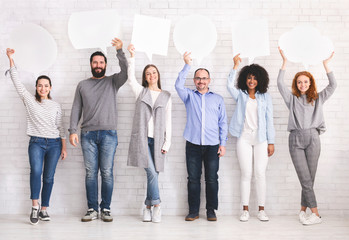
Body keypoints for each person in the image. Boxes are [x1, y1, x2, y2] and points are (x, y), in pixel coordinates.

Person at [69, 38, 128, 222]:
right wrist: (72, 130)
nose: (98, 65)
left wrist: (119, 50)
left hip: (109, 134)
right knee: (90, 173)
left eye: (101, 62)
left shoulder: (113, 82)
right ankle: (92, 209)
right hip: (87, 135)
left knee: (107, 172)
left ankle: (106, 208)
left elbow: (126, 71)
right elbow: (76, 109)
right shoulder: (82, 85)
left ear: (105, 65)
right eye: (95, 62)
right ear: (91, 64)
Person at [6, 48, 67, 225]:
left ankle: (44, 209)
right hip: (36, 143)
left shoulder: (56, 105)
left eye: (46, 85)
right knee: (36, 172)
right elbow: (17, 82)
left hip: (55, 144)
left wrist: (63, 148)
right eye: (40, 85)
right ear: (36, 87)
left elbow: (61, 127)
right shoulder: (29, 100)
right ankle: (34, 206)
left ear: (50, 88)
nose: (42, 88)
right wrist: (11, 59)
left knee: (49, 177)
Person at [277, 47, 336, 225]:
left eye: (306, 82)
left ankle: (303, 211)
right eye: (300, 82)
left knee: (309, 178)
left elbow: (333, 85)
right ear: (296, 84)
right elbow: (280, 84)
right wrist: (284, 62)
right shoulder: (292, 99)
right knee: (305, 178)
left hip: (313, 139)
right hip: (295, 139)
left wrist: (326, 65)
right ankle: (316, 214)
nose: (303, 85)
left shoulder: (318, 98)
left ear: (310, 83)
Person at [175, 52, 228, 221]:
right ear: (194, 80)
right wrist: (187, 65)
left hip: (213, 145)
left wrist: (223, 143)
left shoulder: (218, 99)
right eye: (198, 78)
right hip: (193, 144)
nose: (201, 81)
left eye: (204, 78)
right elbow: (177, 85)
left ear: (209, 81)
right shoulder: (189, 96)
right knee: (193, 179)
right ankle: (193, 211)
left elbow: (223, 123)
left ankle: (211, 210)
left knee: (212, 179)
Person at [126, 44, 172, 223]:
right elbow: (130, 80)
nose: (151, 75)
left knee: (154, 174)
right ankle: (158, 206)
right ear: (145, 78)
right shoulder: (140, 91)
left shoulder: (166, 96)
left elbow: (168, 122)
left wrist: (167, 143)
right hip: (142, 140)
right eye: (148, 73)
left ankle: (147, 207)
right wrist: (132, 57)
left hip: (158, 141)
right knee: (152, 173)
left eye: (154, 72)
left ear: (158, 75)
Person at [227, 54, 275, 222]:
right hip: (244, 138)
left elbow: (269, 121)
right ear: (244, 79)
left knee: (260, 173)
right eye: (249, 78)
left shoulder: (265, 97)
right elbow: (228, 85)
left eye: (254, 78)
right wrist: (235, 66)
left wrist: (271, 142)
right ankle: (245, 210)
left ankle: (261, 210)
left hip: (261, 139)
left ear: (260, 80)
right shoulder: (240, 95)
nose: (251, 81)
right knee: (246, 173)